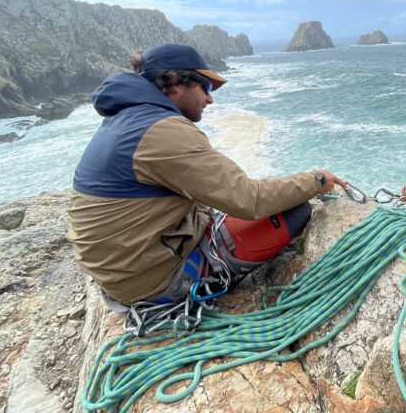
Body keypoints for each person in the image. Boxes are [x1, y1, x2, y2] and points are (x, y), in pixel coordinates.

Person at [67, 43, 346, 307]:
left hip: (122, 270)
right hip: (152, 282)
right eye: (207, 86)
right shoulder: (164, 131)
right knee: (295, 212)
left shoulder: (127, 118)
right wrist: (317, 181)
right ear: (175, 83)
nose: (210, 98)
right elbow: (250, 199)